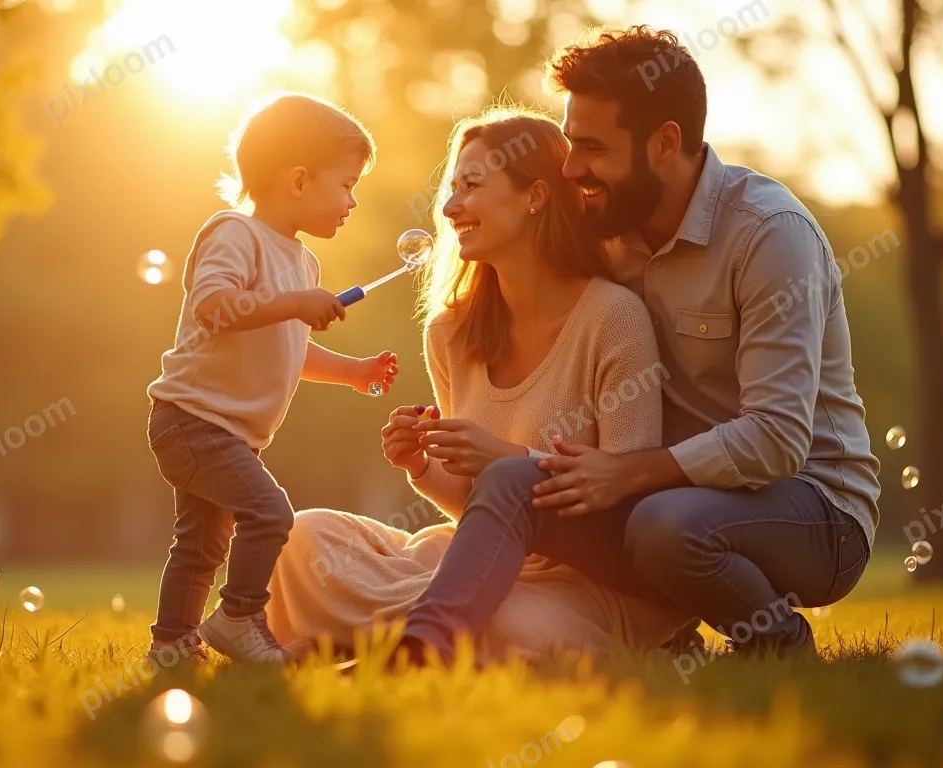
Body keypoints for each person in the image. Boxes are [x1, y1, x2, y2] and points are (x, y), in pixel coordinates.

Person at [393, 27, 881, 664]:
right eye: (570, 145)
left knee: (664, 527)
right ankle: (420, 649)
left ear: (665, 142)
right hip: (660, 497)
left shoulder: (768, 235)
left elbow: (777, 438)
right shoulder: (612, 230)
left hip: (812, 508)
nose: (571, 169)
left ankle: (777, 643)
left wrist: (629, 472)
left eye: (592, 148)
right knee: (515, 478)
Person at [263, 107, 691, 661]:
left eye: (472, 185)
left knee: (514, 624)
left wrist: (507, 458)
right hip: (473, 562)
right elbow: (473, 513)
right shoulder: (451, 332)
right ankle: (415, 636)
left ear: (535, 196)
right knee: (300, 539)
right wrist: (423, 465)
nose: (449, 206)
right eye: (451, 187)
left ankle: (373, 638)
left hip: (579, 579)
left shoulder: (614, 319)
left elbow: (627, 505)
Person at [145, 92, 399, 665]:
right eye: (347, 184)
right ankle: (239, 617)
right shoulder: (234, 232)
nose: (352, 200)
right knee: (269, 512)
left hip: (225, 432)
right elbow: (214, 305)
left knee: (202, 544)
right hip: (191, 421)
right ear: (299, 180)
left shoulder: (303, 262)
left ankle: (171, 648)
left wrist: (352, 372)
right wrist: (292, 303)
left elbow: (290, 349)